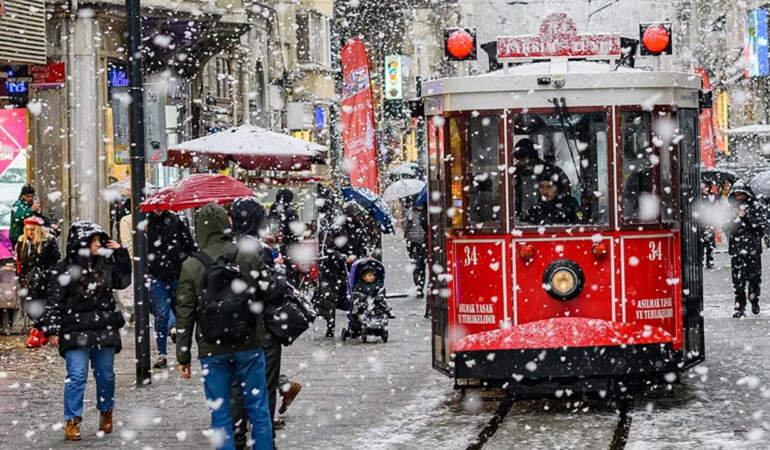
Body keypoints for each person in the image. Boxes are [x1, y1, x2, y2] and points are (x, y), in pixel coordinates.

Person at [176, 203, 276, 450]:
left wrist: (183, 355)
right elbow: (271, 288)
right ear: (226, 224)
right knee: (258, 408)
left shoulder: (192, 265)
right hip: (249, 340)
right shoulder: (247, 254)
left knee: (220, 414)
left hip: (212, 346)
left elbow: (184, 314)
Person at [45, 222, 131, 441]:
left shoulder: (105, 264)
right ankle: (73, 419)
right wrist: (53, 330)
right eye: (93, 241)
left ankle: (106, 410)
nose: (97, 245)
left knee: (106, 376)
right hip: (74, 331)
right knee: (76, 377)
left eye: (98, 241)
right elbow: (55, 301)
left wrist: (120, 253)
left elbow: (123, 281)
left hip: (103, 328)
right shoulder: (63, 269)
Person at [229, 197, 302, 445]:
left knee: (237, 385)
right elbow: (270, 290)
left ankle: (238, 435)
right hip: (261, 326)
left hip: (234, 325)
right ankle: (264, 436)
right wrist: (279, 273)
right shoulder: (257, 250)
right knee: (264, 384)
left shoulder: (228, 247)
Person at [315, 201, 374, 337]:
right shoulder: (336, 229)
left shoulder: (359, 229)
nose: (358, 218)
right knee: (330, 299)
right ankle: (330, 326)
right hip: (334, 269)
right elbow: (328, 249)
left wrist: (358, 257)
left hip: (353, 269)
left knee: (355, 299)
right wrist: (342, 257)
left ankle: (355, 326)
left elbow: (366, 246)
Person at [147, 208, 196, 369]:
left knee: (180, 312)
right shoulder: (146, 222)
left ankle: (182, 350)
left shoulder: (176, 220)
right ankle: (162, 353)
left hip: (176, 273)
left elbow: (188, 244)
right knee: (161, 313)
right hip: (157, 274)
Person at [723, 181, 766, 318]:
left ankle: (754, 300)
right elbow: (727, 228)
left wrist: (746, 217)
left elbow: (759, 227)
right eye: (737, 194)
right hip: (737, 250)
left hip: (753, 249)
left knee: (754, 279)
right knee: (738, 281)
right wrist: (735, 218)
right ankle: (740, 306)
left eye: (742, 194)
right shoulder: (730, 209)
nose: (739, 197)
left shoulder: (755, 207)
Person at [15, 216, 59, 347]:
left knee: (41, 305)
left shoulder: (48, 240)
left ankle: (38, 331)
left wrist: (48, 274)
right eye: (27, 229)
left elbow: (56, 259)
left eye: (33, 229)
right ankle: (40, 330)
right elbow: (19, 261)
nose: (30, 232)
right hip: (28, 279)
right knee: (29, 307)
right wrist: (21, 275)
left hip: (44, 279)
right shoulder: (22, 241)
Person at [512, 138, 571, 220]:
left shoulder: (551, 171)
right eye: (517, 158)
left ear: (531, 156)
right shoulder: (515, 173)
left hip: (550, 218)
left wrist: (553, 207)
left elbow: (565, 192)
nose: (519, 161)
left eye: (522, 157)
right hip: (522, 219)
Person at [270, 189, 301, 286]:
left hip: (273, 245)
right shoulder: (291, 212)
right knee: (290, 274)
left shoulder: (273, 209)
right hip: (289, 247)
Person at [10, 184, 57, 249]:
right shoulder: (18, 205)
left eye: (32, 196)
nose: (30, 198)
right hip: (18, 236)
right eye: (28, 196)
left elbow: (38, 219)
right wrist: (31, 210)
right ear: (23, 195)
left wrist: (49, 224)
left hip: (30, 236)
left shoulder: (31, 204)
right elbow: (18, 217)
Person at [402, 197, 428, 304]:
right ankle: (418, 286)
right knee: (415, 264)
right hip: (412, 242)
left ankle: (420, 285)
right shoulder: (410, 212)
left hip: (423, 242)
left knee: (422, 265)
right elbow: (405, 229)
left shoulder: (426, 213)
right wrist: (409, 221)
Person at [701, 182, 717, 269]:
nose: (705, 188)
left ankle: (709, 261)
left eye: (707, 186)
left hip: (711, 221)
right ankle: (701, 260)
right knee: (701, 243)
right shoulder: (699, 196)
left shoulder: (713, 196)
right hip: (702, 222)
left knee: (710, 243)